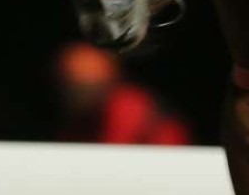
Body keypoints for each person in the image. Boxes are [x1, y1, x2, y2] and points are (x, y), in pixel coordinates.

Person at [53, 41, 193, 145]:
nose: (79, 95)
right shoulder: (79, 120)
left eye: (87, 88)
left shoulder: (131, 108)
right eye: (72, 88)